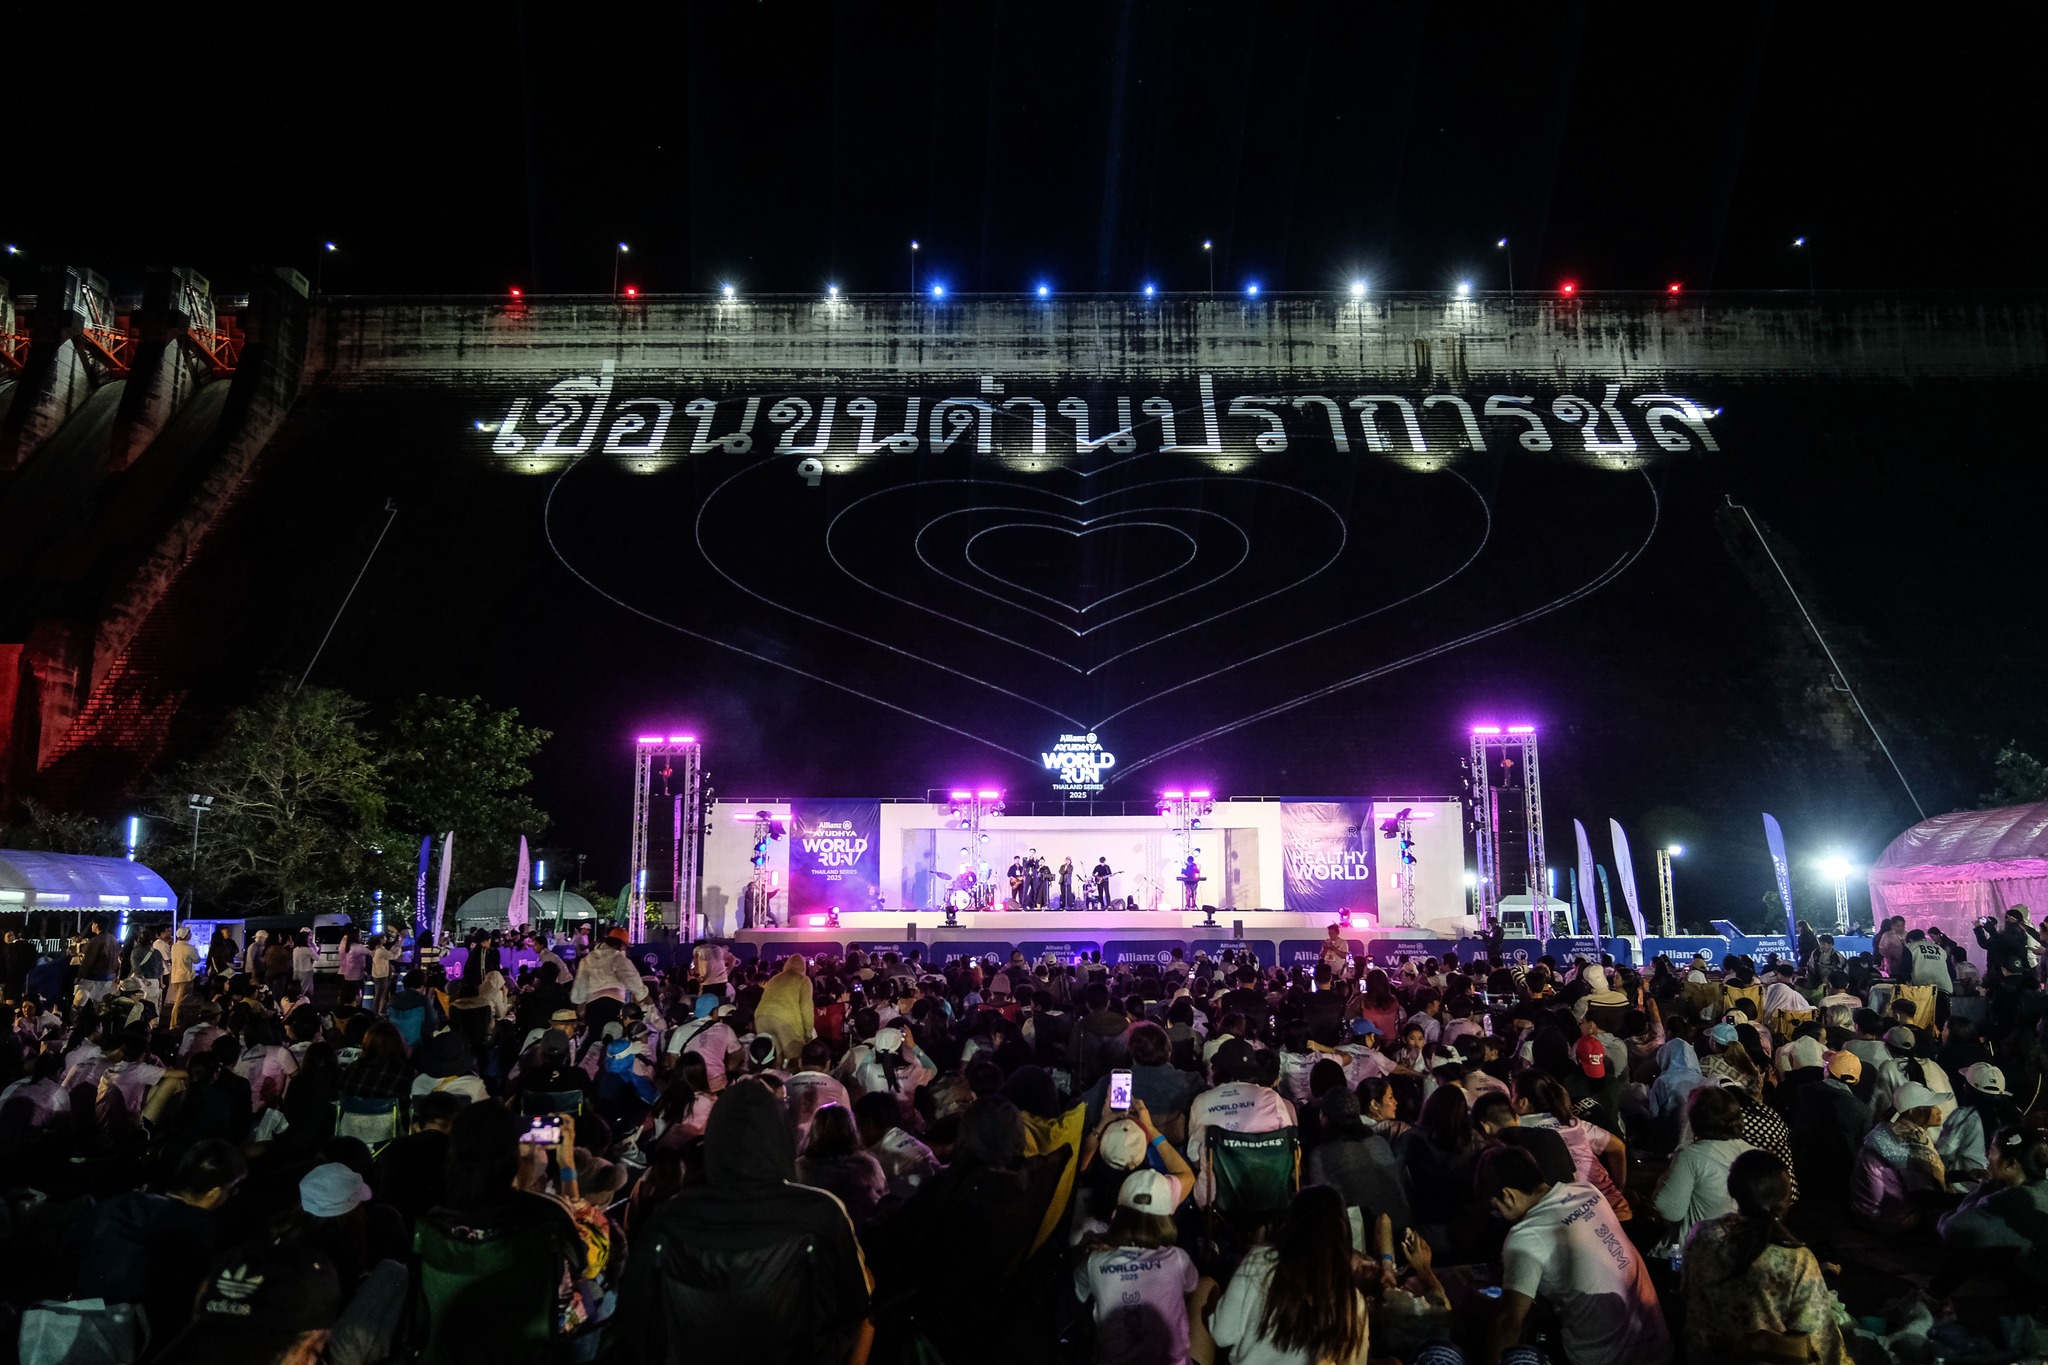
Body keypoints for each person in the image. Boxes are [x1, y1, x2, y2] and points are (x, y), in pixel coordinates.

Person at [624, 1079, 872, 1365]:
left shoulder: (668, 1218)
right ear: (780, 1138)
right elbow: (859, 1307)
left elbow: (636, 1318)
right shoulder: (822, 1212)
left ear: (714, 1141)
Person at [1478, 1146, 1671, 1365]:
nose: (1499, 1217)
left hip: (1604, 1359)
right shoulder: (1587, 1190)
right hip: (1658, 1346)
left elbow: (1509, 1325)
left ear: (1508, 1195)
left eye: (1496, 1209)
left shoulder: (1525, 1235)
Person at [1681, 1150, 1848, 1364]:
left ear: (1732, 1189)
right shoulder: (1797, 1259)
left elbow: (1686, 1293)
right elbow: (1819, 1336)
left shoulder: (1701, 1235)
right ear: (1785, 1199)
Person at [74, 1139, 249, 1341]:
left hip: (75, 1320)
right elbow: (181, 1306)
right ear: (214, 1193)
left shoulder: (123, 1202)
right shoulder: (198, 1230)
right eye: (231, 1190)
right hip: (127, 1338)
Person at [1208, 1184, 1373, 1365]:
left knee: (1205, 1288)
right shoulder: (1352, 1301)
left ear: (1293, 1222)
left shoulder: (1260, 1260)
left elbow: (1222, 1334)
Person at [1074, 1165, 1201, 1365]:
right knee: (1205, 1285)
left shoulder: (1095, 1261)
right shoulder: (1178, 1258)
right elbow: (1190, 1288)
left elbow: (1079, 1292)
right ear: (1166, 1219)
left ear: (1117, 1214)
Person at [1651, 1086, 1754, 1256]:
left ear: (1695, 1119)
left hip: (1697, 1253)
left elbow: (1668, 1210)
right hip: (1741, 1250)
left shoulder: (1692, 1155)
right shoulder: (1754, 1153)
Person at [795, 1102, 888, 1228]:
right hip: (863, 1234)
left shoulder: (801, 1168)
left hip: (819, 1235)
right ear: (852, 1129)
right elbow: (883, 1201)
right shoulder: (868, 1165)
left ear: (815, 1129)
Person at [755, 952, 816, 1065]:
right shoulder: (803, 980)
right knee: (793, 1060)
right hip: (786, 1020)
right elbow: (806, 1007)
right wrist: (808, 1032)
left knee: (772, 1059)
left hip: (761, 1017)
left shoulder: (775, 978)